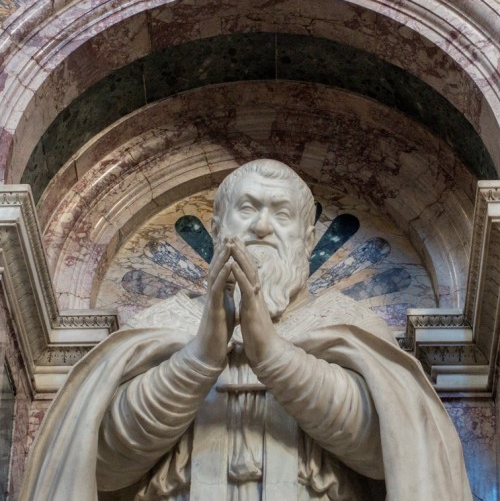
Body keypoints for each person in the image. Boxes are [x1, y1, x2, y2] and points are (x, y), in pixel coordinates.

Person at [21, 159, 471, 501]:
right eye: (248, 209)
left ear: (307, 239)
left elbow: (385, 447)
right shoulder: (164, 321)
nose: (260, 226)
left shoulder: (345, 321)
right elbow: (103, 463)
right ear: (217, 228)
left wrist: (272, 353)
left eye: (280, 214)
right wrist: (199, 358)